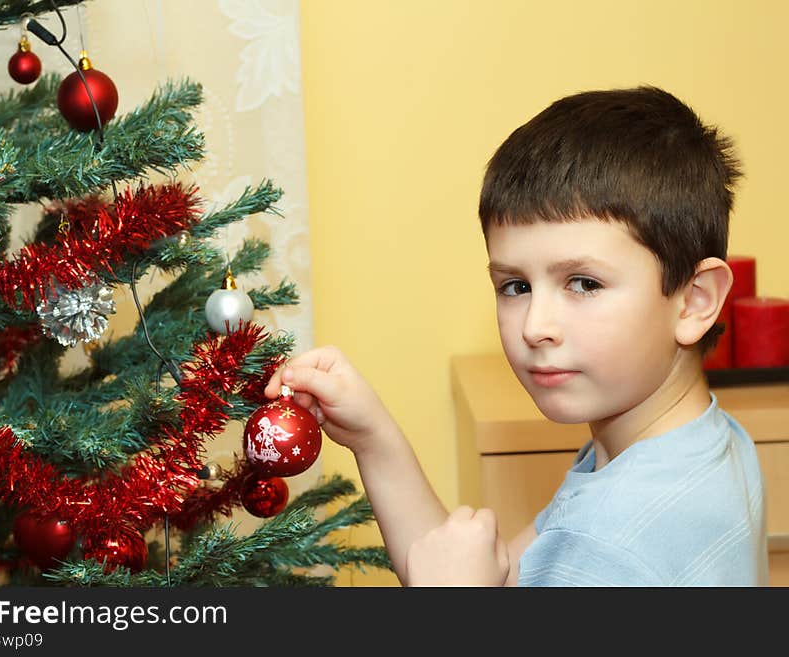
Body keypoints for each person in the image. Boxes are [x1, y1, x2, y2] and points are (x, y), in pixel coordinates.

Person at [264, 86, 767, 586]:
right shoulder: (687, 448)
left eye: (584, 283)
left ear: (696, 299)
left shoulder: (610, 544)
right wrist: (374, 440)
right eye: (516, 286)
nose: (535, 326)